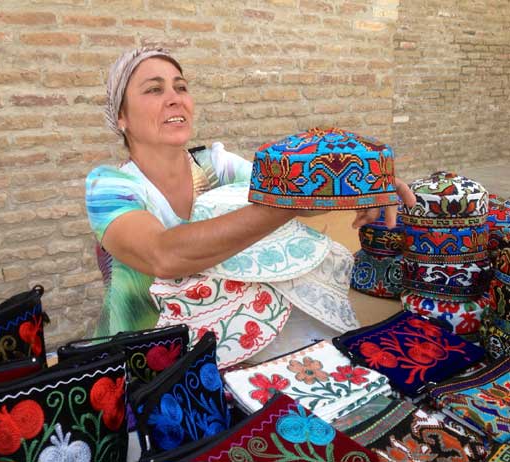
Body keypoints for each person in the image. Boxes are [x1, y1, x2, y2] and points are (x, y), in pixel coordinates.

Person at [85, 46, 416, 339]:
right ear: (121, 117)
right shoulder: (110, 186)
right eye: (154, 89)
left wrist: (364, 183)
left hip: (222, 342)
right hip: (143, 363)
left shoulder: (216, 165)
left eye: (181, 87)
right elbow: (165, 256)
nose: (175, 98)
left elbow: (296, 198)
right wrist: (286, 200)